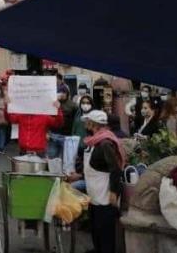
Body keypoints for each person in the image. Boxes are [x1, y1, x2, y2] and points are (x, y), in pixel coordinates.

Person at [80, 110, 126, 253]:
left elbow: (116, 169)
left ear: (92, 124)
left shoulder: (105, 143)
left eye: (87, 121)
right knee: (96, 228)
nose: (85, 124)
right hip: (94, 194)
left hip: (104, 195)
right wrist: (77, 175)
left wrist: (113, 192)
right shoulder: (93, 141)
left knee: (105, 232)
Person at [4, 91, 63, 156]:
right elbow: (9, 118)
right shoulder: (21, 115)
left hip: (39, 153)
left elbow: (58, 123)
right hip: (23, 151)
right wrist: (7, 106)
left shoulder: (44, 116)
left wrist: (58, 109)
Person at [47, 86, 77, 159]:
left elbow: (75, 120)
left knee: (66, 158)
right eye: (60, 92)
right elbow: (48, 118)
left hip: (67, 135)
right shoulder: (52, 103)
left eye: (64, 92)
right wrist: (47, 132)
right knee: (52, 157)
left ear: (67, 93)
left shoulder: (73, 105)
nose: (62, 94)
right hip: (53, 134)